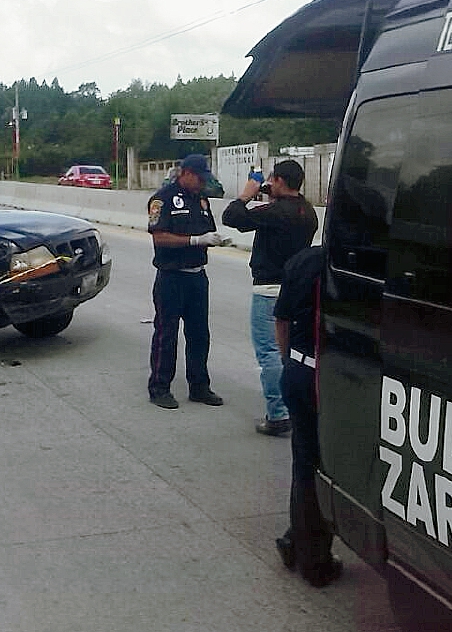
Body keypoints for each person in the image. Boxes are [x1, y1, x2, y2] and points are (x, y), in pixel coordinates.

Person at [222, 159, 317, 436]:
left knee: (269, 352)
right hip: (297, 289)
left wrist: (246, 194)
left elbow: (232, 217)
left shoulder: (274, 212)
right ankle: (295, 406)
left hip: (268, 289)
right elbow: (277, 207)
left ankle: (277, 414)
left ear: (279, 181)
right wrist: (267, 192)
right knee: (291, 351)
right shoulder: (307, 211)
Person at [272, 245, 342, 587]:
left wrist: (290, 364)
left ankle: (297, 541)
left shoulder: (301, 260)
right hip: (329, 381)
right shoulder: (355, 263)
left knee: (304, 464)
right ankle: (315, 561)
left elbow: (281, 319)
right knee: (324, 466)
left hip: (299, 372)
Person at [146, 153, 227, 409]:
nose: (203, 183)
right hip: (171, 277)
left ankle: (199, 386)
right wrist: (194, 240)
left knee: (199, 334)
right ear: (187, 173)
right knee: (166, 334)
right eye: (200, 178)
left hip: (197, 277)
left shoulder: (201, 200)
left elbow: (207, 231)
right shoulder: (162, 199)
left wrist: (213, 239)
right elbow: (159, 237)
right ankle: (159, 387)